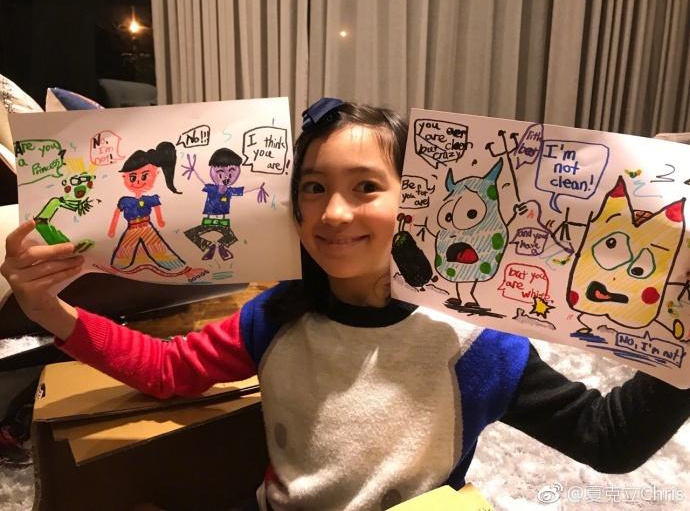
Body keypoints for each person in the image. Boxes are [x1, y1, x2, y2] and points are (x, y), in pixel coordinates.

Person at [3, 98, 690, 511]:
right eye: (313, 187)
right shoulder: (275, 315)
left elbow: (605, 438)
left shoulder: (476, 343)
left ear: (414, 200)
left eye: (365, 187)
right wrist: (48, 310)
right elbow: (168, 370)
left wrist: (681, 340)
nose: (334, 213)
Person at [107, 141, 206, 282]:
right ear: (124, 177)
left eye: (144, 176)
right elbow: (117, 213)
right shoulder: (125, 200)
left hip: (146, 226)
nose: (138, 182)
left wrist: (160, 220)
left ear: (155, 174)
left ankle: (184, 271)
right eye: (132, 177)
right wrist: (112, 229)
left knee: (159, 247)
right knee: (125, 248)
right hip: (132, 227)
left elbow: (157, 208)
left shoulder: (150, 199)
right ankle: (115, 268)